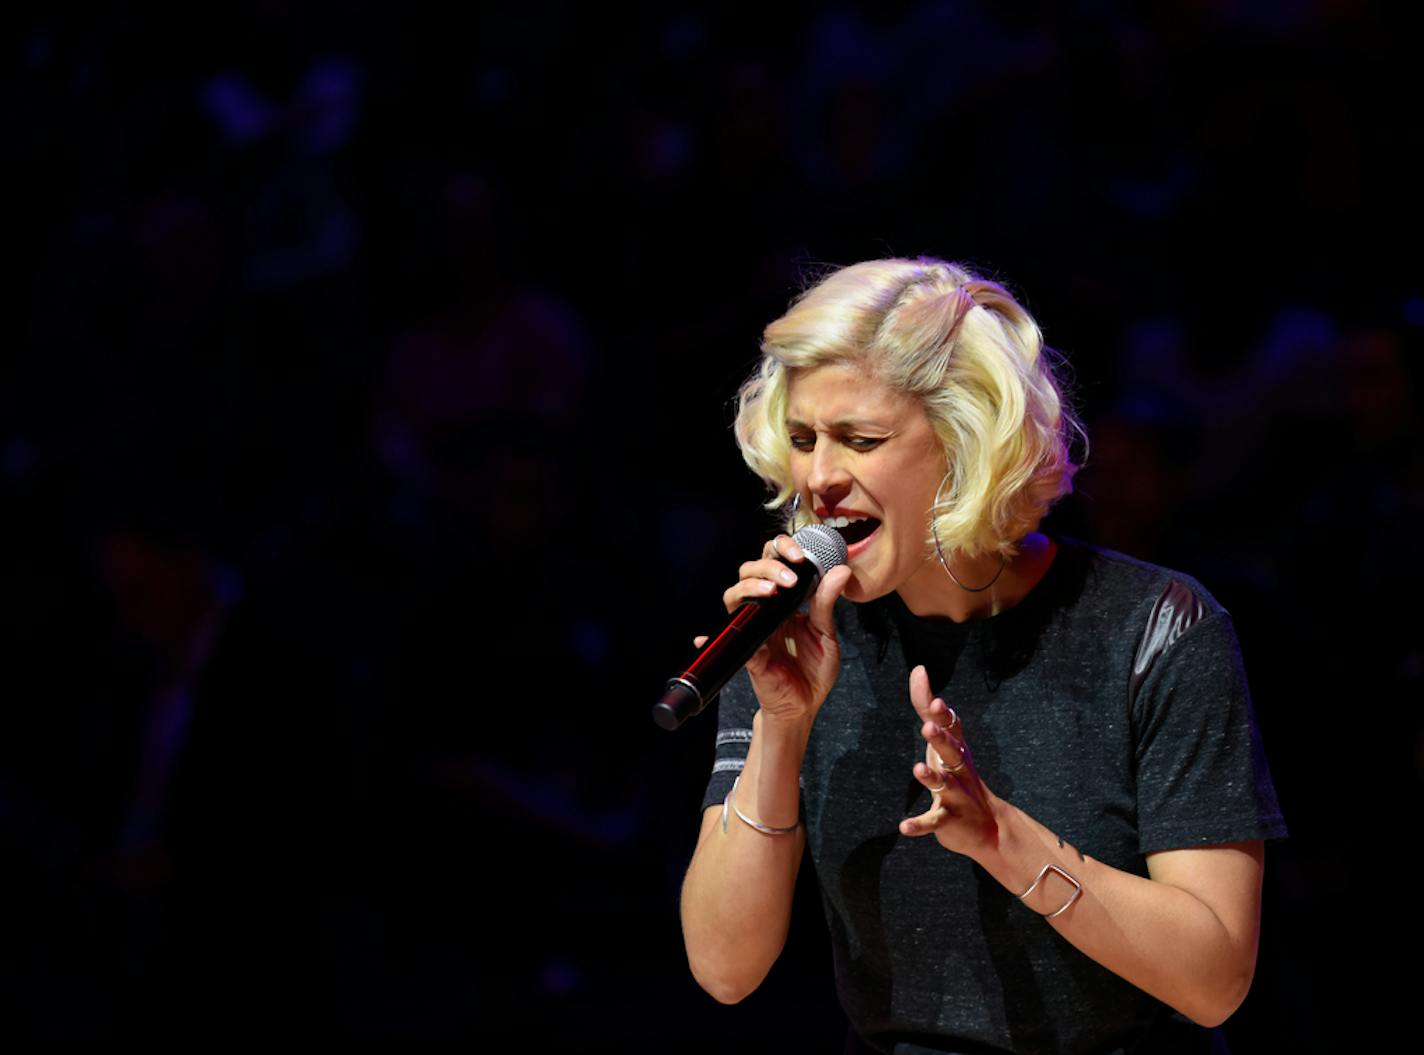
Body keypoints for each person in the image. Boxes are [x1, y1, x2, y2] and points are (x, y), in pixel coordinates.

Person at [679, 257, 1285, 1054]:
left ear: (969, 441)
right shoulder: (791, 633)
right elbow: (726, 968)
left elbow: (1214, 982)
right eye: (802, 439)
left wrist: (1002, 839)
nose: (819, 477)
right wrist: (782, 726)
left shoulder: (1157, 628)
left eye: (861, 439)